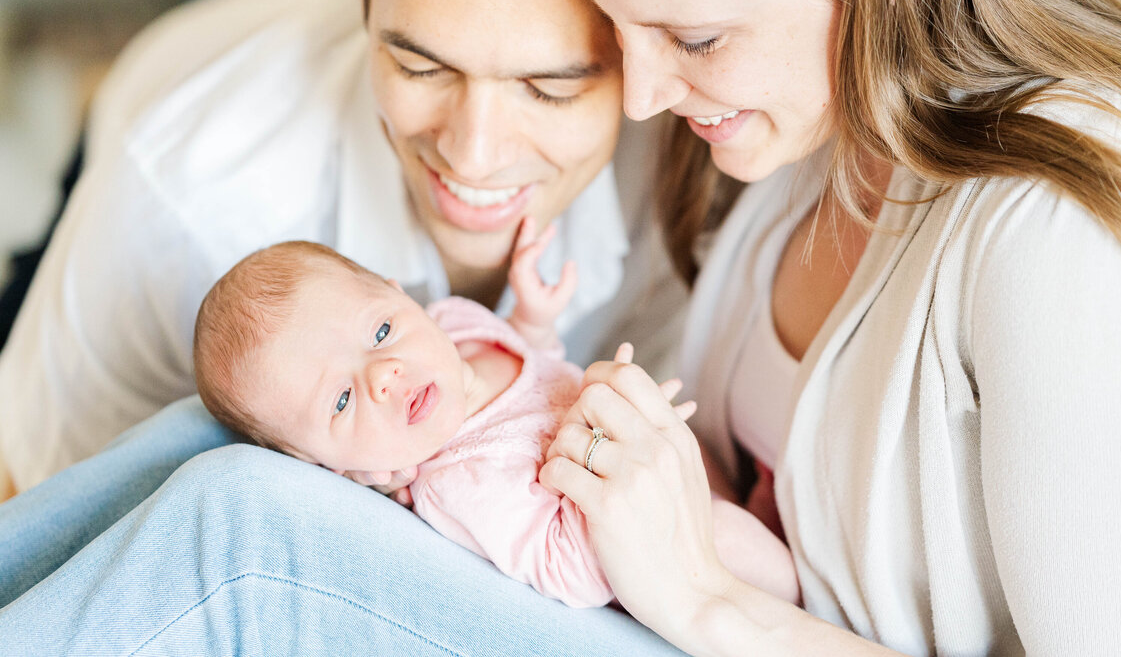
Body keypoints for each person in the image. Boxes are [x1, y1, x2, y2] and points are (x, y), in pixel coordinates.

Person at [0, 0, 692, 653]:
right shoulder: (181, 211)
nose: (474, 154)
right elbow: (37, 502)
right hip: (129, 149)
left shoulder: (685, 156)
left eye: (550, 88)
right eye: (420, 65)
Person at [534, 0, 1121, 655]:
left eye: (696, 39)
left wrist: (704, 602)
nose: (643, 99)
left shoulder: (1063, 230)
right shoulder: (822, 123)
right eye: (616, 23)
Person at [192, 236, 799, 608]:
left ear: (400, 295)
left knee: (710, 460)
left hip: (664, 466)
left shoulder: (455, 325)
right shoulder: (461, 482)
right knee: (743, 547)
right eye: (343, 400)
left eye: (381, 331)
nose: (384, 374)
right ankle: (795, 596)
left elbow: (534, 364)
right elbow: (573, 577)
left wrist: (533, 320)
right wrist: (590, 443)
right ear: (328, 466)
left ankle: (751, 508)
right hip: (655, 557)